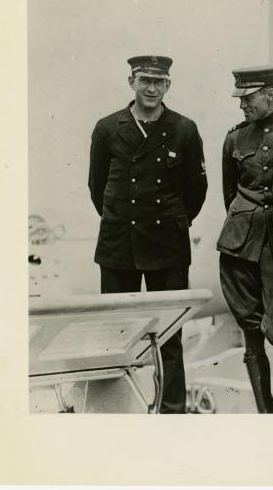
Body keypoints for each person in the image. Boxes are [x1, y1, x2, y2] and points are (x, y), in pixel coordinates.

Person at [88, 55, 208, 413]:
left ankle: (171, 411)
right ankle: (114, 410)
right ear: (131, 82)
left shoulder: (184, 129)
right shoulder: (108, 128)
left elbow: (195, 190)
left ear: (168, 86)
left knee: (169, 337)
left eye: (159, 81)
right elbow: (97, 186)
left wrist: (173, 222)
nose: (152, 88)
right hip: (118, 245)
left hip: (167, 247)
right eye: (145, 81)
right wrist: (123, 221)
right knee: (114, 334)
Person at [217, 65, 273, 414]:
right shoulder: (235, 139)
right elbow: (229, 194)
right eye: (241, 99)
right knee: (251, 332)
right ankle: (265, 413)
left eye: (249, 98)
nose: (243, 106)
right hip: (240, 246)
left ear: (271, 94)